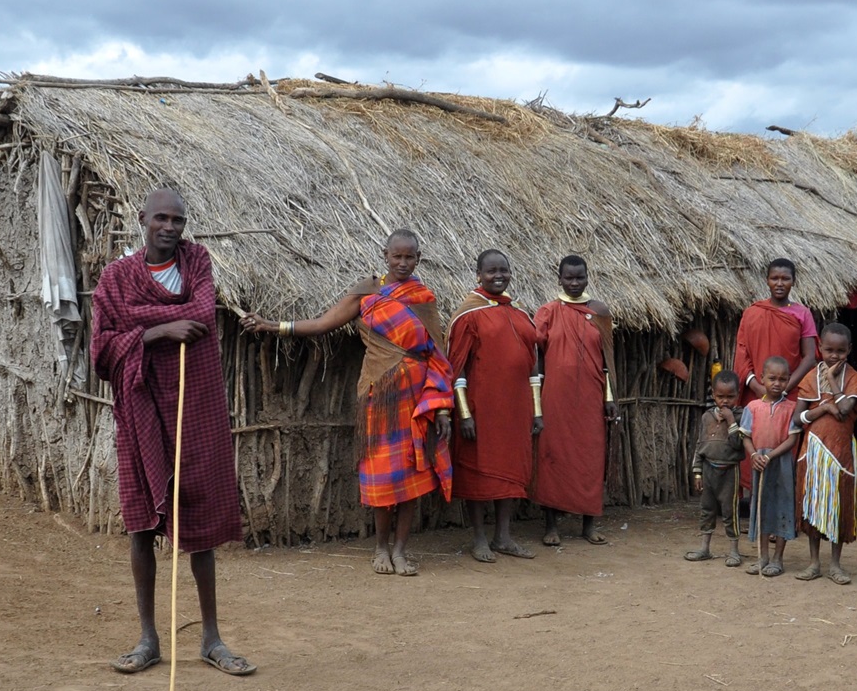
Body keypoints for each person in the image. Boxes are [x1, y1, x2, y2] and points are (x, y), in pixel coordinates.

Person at [90, 189, 254, 676]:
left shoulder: (197, 261)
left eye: (178, 219)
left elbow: (203, 315)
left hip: (193, 404)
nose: (170, 226)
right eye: (161, 218)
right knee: (141, 522)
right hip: (140, 405)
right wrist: (156, 332)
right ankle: (148, 638)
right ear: (142, 219)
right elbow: (102, 345)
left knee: (199, 521)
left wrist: (138, 323)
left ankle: (211, 638)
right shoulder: (117, 278)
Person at [240, 229, 452, 576]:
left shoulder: (423, 298)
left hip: (416, 401)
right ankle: (381, 548)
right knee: (383, 476)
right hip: (378, 398)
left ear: (418, 259)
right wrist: (272, 326)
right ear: (385, 255)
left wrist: (440, 406)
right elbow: (323, 323)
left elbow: (438, 356)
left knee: (413, 476)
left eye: (409, 257)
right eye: (396, 256)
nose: (402, 262)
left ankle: (401, 551)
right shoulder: (367, 291)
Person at [447, 250, 543, 563]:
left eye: (503, 270)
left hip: (515, 410)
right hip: (481, 409)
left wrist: (537, 410)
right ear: (478, 275)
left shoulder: (519, 314)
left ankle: (504, 537)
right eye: (491, 271)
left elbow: (532, 366)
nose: (498, 276)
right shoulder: (468, 314)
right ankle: (479, 540)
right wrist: (464, 413)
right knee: (478, 473)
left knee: (512, 474)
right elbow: (456, 367)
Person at [533, 255, 617, 546]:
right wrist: (536, 400)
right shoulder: (547, 312)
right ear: (559, 279)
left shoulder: (600, 312)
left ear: (587, 277)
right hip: (556, 396)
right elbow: (537, 357)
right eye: (568, 278)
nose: (574, 283)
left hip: (591, 398)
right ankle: (551, 526)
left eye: (579, 277)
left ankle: (588, 525)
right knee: (553, 456)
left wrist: (610, 396)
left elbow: (608, 361)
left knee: (590, 458)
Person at [733, 258, 818, 493]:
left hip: (790, 393)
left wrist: (787, 385)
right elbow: (742, 352)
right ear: (767, 280)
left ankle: (786, 505)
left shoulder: (802, 314)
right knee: (756, 442)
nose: (779, 283)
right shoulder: (752, 313)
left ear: (793, 282)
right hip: (757, 393)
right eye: (775, 278)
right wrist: (757, 386)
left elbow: (809, 356)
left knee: (786, 443)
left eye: (785, 278)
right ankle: (754, 502)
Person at [793, 322, 857, 584]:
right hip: (812, 452)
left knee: (837, 507)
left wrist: (834, 382)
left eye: (840, 351)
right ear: (819, 348)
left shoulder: (855, 379)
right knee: (813, 506)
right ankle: (814, 563)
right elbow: (797, 418)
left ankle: (835, 564)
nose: (834, 356)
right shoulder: (809, 378)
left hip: (840, 454)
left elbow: (847, 409)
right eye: (829, 350)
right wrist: (823, 409)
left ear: (849, 350)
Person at [736, 356, 800, 577]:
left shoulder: (792, 408)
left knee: (782, 506)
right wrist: (754, 454)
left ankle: (778, 559)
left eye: (783, 379)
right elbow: (745, 436)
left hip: (780, 463)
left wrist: (770, 456)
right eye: (772, 378)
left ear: (789, 380)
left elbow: (791, 439)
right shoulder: (752, 407)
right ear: (762, 378)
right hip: (759, 463)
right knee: (761, 507)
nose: (777, 383)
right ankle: (762, 557)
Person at [685, 369, 746, 567]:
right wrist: (697, 472)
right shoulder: (706, 417)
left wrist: (730, 420)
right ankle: (704, 548)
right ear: (713, 395)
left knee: (730, 511)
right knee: (707, 510)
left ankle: (734, 551)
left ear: (737, 395)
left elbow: (738, 444)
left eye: (730, 396)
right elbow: (700, 445)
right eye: (720, 397)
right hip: (709, 469)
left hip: (729, 471)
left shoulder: (741, 415)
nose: (725, 401)